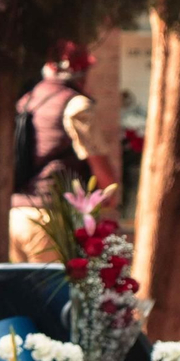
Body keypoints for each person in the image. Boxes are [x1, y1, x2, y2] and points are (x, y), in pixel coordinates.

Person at [10, 42, 118, 262]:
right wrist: (109, 192)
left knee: (23, 294)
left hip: (15, 216)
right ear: (81, 73)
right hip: (49, 220)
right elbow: (97, 160)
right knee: (54, 295)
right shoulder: (76, 105)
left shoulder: (27, 100)